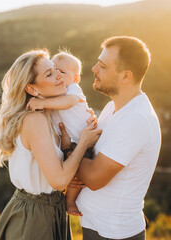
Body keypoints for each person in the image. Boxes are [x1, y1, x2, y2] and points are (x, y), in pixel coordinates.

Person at [0, 49, 102, 240]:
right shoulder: (34, 120)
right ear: (32, 89)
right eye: (50, 73)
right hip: (34, 217)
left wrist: (71, 147)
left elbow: (56, 174)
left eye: (57, 70)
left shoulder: (50, 117)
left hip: (51, 210)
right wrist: (83, 142)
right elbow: (58, 181)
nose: (59, 75)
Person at [64, 36, 161, 239]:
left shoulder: (136, 119)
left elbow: (94, 178)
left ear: (126, 76)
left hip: (113, 232)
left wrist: (68, 149)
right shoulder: (113, 107)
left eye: (103, 65)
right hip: (98, 226)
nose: (94, 69)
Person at [26, 51, 93, 216]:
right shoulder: (37, 115)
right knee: (73, 174)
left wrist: (43, 103)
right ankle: (70, 201)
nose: (58, 75)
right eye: (53, 70)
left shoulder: (72, 90)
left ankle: (71, 201)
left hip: (83, 139)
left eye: (62, 72)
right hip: (73, 143)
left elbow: (68, 103)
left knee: (79, 176)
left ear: (75, 79)